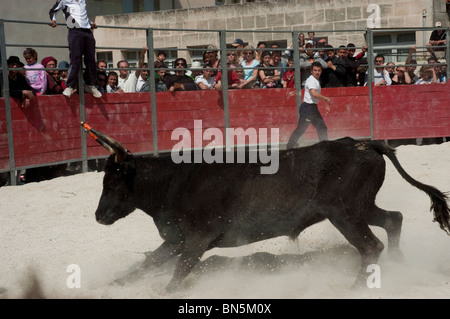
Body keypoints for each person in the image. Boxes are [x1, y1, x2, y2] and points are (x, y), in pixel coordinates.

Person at [49, 0, 102, 98]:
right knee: (75, 59)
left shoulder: (82, 1)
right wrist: (53, 20)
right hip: (75, 31)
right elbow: (53, 10)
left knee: (91, 59)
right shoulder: (64, 1)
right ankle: (69, 86)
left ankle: (90, 84)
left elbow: (81, 16)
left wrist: (90, 23)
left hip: (87, 31)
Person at [286, 62, 331, 149]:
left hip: (312, 108)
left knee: (322, 127)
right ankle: (289, 147)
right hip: (308, 109)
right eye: (315, 70)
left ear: (321, 71)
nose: (317, 72)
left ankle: (325, 147)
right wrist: (326, 98)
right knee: (301, 129)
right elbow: (314, 94)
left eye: (319, 70)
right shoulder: (311, 80)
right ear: (311, 71)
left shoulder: (315, 80)